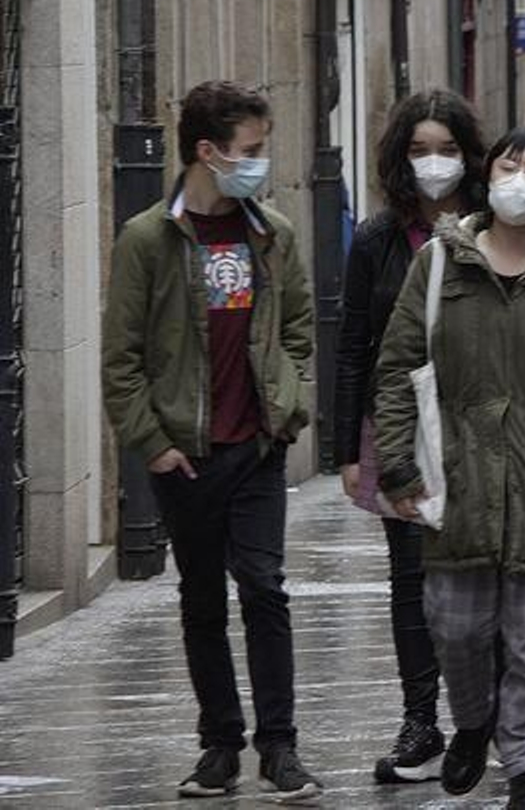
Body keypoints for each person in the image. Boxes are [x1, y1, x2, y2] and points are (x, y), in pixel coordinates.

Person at [376, 127, 525, 810]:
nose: (523, 177)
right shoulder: (440, 264)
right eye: (512, 163)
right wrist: (396, 465)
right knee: (455, 627)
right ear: (489, 175)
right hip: (458, 475)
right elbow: (397, 368)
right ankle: (473, 721)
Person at [101, 81, 322, 801]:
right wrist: (154, 444)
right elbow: (122, 357)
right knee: (201, 599)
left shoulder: (274, 234)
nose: (261, 162)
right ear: (207, 151)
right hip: (185, 456)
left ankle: (280, 748)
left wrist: (282, 407)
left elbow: (296, 327)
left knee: (264, 590)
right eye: (251, 150)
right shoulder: (146, 240)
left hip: (256, 447)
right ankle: (219, 747)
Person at [333, 88, 487, 784]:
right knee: (410, 581)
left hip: (481, 427)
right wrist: (346, 450)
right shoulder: (377, 238)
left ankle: (483, 720)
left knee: (484, 576)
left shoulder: (495, 227)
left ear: (469, 156)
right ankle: (421, 722)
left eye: (447, 150)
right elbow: (353, 345)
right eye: (420, 150)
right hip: (398, 427)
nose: (434, 163)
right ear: (401, 158)